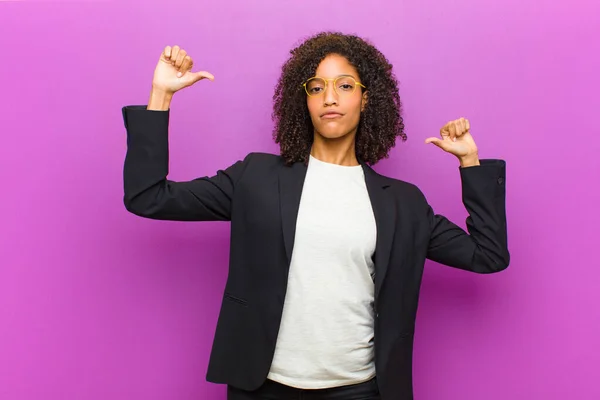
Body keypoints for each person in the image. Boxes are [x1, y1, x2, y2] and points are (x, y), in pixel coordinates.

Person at [121, 32, 509, 400]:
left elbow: (487, 255)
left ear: (366, 98)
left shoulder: (402, 203)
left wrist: (470, 163)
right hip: (263, 385)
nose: (330, 98)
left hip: (360, 388)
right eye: (317, 87)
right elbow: (149, 197)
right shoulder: (255, 177)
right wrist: (161, 95)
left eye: (344, 85)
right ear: (303, 100)